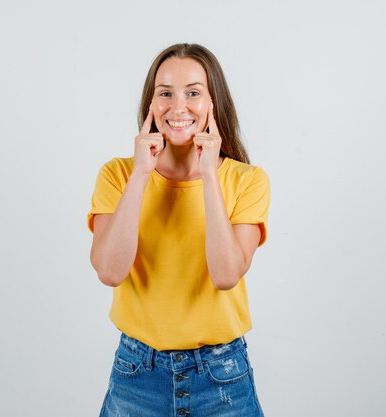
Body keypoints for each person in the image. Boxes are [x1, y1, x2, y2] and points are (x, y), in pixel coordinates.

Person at [87, 43, 270, 417]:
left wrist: (208, 175)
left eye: (193, 93)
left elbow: (224, 275)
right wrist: (141, 174)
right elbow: (109, 271)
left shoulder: (247, 180)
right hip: (137, 373)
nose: (178, 106)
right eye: (165, 93)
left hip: (221, 378)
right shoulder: (117, 175)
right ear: (150, 104)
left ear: (212, 104)